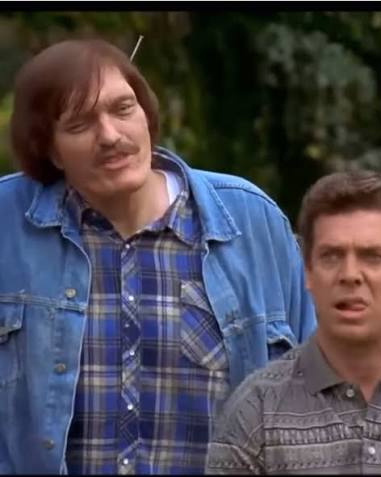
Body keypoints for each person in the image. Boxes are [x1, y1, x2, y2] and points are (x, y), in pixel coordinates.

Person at [0, 38, 316, 474]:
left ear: (146, 114)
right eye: (80, 124)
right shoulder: (8, 225)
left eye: (123, 108)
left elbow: (317, 389)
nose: (111, 136)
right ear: (51, 150)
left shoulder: (249, 220)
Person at [206, 170, 381, 474]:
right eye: (331, 256)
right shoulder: (256, 413)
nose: (350, 275)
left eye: (372, 256)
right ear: (307, 272)